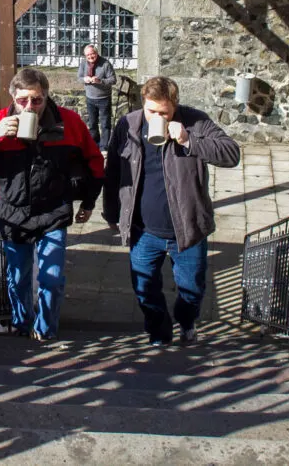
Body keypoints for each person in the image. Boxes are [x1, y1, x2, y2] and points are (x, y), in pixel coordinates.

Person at [0, 67, 104, 341]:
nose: (30, 107)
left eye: (37, 100)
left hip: (53, 211)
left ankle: (45, 331)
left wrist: (89, 201)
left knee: (52, 278)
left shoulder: (68, 123)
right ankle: (23, 324)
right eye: (23, 101)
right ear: (13, 99)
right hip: (13, 213)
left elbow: (95, 161)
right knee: (18, 276)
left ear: (46, 97)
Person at [102, 76, 240, 346]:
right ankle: (159, 332)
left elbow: (231, 153)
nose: (157, 117)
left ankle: (186, 321)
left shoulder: (195, 121)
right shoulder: (128, 125)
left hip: (187, 229)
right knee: (144, 290)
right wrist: (112, 214)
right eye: (152, 110)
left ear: (174, 106)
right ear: (144, 103)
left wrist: (189, 140)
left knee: (192, 290)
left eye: (163, 112)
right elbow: (113, 174)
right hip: (143, 230)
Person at [77, 44, 117, 152]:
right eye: (88, 55)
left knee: (105, 124)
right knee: (92, 123)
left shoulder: (105, 63)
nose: (90, 56)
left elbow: (113, 80)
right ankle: (94, 145)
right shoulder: (83, 64)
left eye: (92, 54)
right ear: (85, 56)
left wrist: (100, 81)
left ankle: (104, 148)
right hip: (90, 98)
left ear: (96, 53)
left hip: (104, 98)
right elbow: (79, 77)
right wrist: (84, 79)